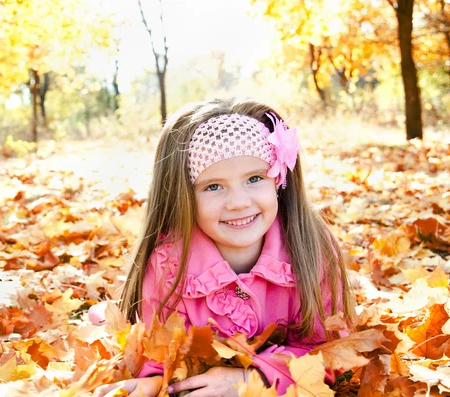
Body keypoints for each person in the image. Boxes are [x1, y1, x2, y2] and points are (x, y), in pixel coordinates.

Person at [93, 98, 355, 397]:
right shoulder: (168, 264)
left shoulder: (311, 248)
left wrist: (250, 380)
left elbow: (332, 353)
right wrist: (155, 382)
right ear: (185, 197)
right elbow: (163, 353)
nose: (239, 202)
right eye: (213, 186)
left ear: (278, 180)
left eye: (255, 178)